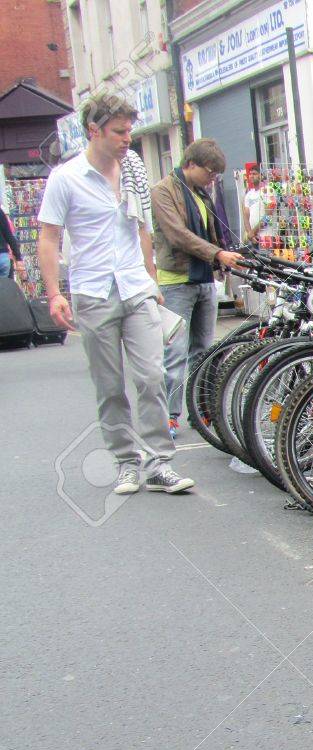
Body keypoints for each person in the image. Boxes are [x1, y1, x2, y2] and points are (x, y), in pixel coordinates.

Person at [36, 93, 194, 495]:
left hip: (136, 289)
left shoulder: (133, 172)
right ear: (95, 131)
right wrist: (55, 293)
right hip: (93, 291)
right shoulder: (66, 178)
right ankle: (126, 461)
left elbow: (143, 229)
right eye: (120, 132)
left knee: (152, 376)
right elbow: (50, 237)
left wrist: (151, 280)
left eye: (130, 131)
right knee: (109, 385)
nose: (128, 139)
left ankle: (160, 463)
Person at [152, 138, 243, 434]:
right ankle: (170, 414)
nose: (213, 178)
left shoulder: (202, 192)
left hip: (204, 280)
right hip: (177, 281)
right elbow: (178, 235)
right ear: (190, 164)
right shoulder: (163, 191)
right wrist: (217, 253)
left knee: (203, 351)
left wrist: (223, 258)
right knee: (175, 352)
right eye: (209, 172)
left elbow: (212, 231)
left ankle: (199, 410)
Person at [0, 206, 23, 282]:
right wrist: (18, 258)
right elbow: (10, 236)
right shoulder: (1, 213)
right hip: (3, 258)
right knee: (4, 290)